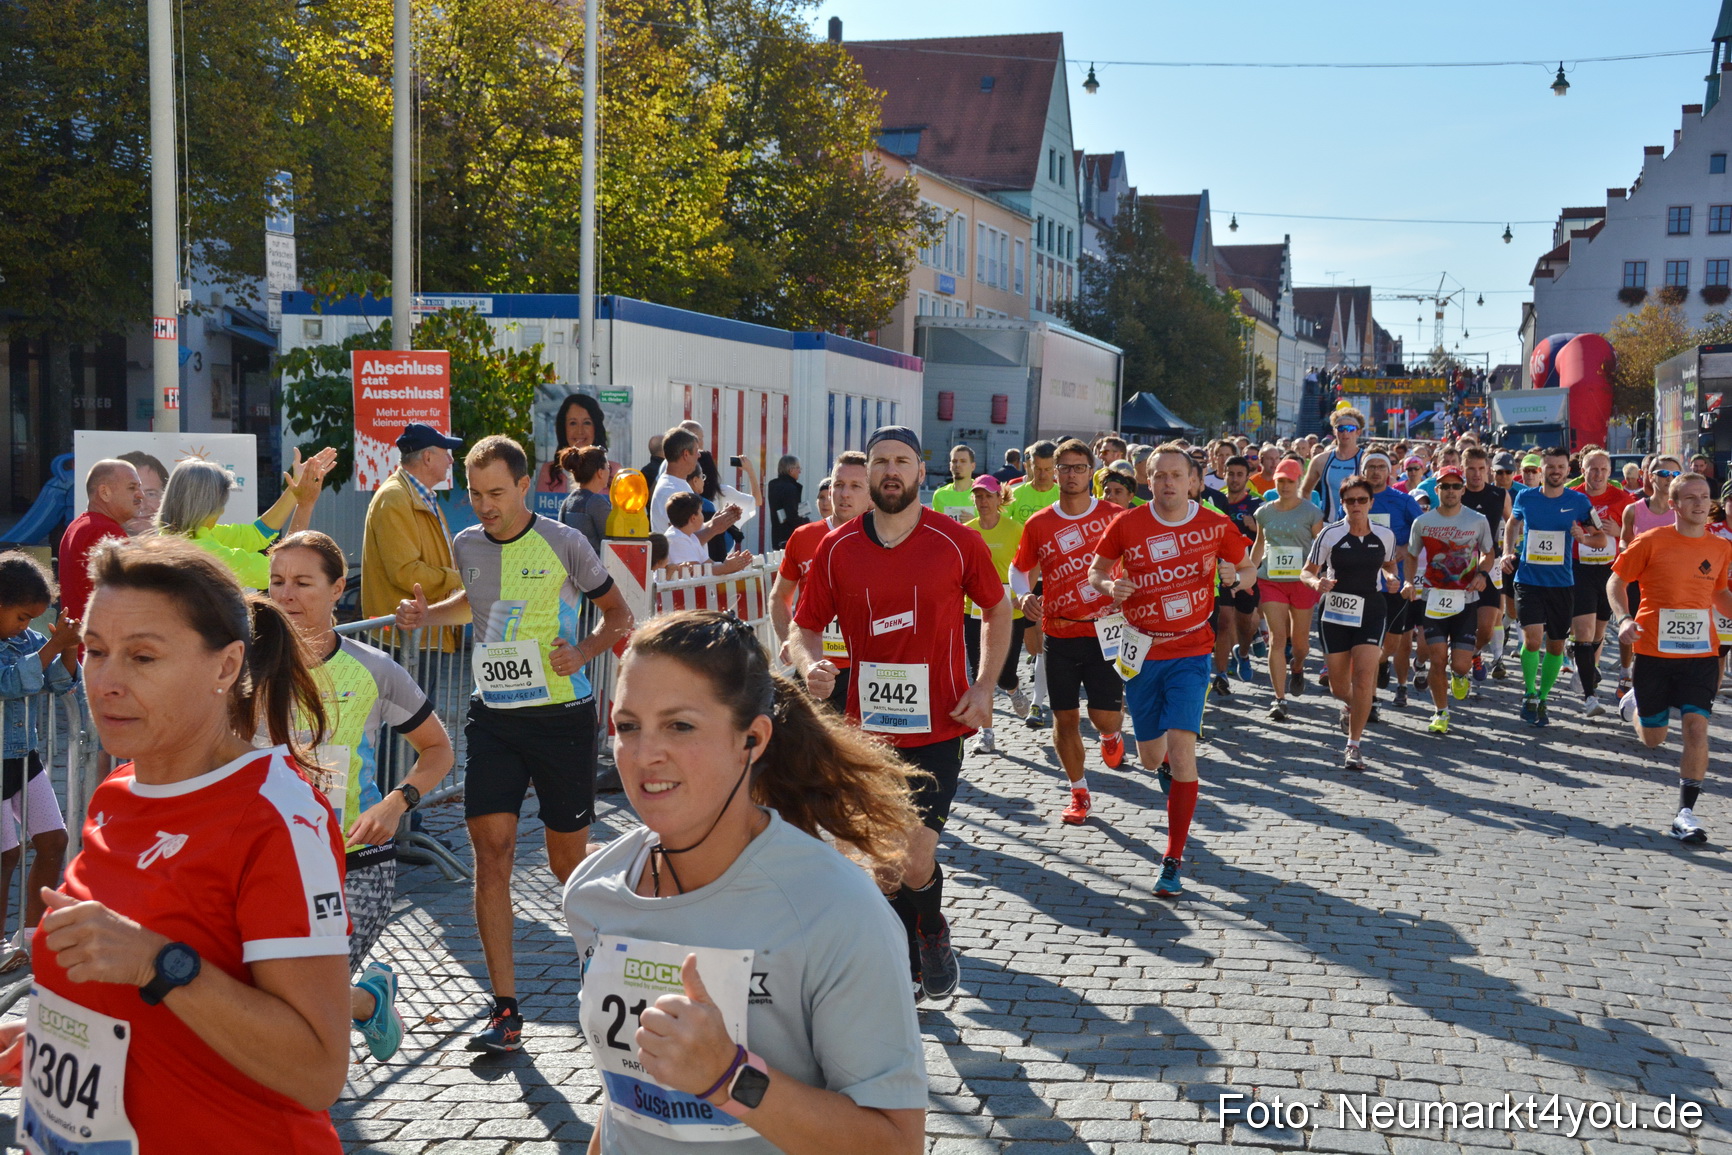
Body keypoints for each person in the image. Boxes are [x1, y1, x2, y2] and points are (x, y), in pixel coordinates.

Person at [4, 536, 350, 1151]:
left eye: (142, 657)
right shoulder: (116, 791)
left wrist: (161, 963)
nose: (105, 681)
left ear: (225, 666)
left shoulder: (277, 816)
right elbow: (138, 1013)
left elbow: (318, 1071)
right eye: (95, 651)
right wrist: (55, 1036)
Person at [564, 610, 927, 1154]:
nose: (643, 755)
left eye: (679, 725)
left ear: (752, 740)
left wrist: (728, 1079)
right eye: (627, 726)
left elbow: (896, 1144)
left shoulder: (837, 910)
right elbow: (626, 1095)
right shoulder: (593, 891)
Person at [394, 434, 633, 1052]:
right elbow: (470, 605)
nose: (485, 505)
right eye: (475, 494)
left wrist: (581, 650)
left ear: (526, 486)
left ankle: (604, 971)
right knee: (492, 851)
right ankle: (504, 1009)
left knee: (564, 864)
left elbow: (619, 616)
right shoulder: (467, 544)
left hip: (561, 719)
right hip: (494, 716)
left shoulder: (564, 543)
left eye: (497, 492)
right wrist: (427, 616)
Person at [789, 426, 1010, 1004]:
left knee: (915, 857)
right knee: (884, 865)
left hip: (940, 722)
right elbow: (803, 623)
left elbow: (996, 607)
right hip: (867, 726)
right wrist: (809, 662)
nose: (891, 471)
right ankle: (910, 956)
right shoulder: (837, 549)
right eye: (881, 461)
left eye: (902, 461)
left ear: (920, 471)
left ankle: (931, 929)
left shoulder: (956, 541)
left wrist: (985, 685)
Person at [267, 531, 456, 1063]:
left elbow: (438, 750)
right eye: (277, 582)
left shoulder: (375, 670)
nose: (286, 595)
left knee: (305, 996)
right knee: (281, 994)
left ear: (337, 589)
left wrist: (396, 803)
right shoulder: (243, 670)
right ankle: (367, 1003)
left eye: (303, 582)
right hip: (267, 861)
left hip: (355, 856)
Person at [1089, 444, 1254, 898]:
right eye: (1158, 475)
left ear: (1193, 481)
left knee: (1183, 753)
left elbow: (1248, 568)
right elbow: (1096, 571)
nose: (1167, 483)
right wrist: (1109, 585)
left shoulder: (1215, 525)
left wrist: (1234, 578)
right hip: (1141, 651)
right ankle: (1160, 769)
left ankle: (1172, 858)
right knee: (1149, 757)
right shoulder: (1128, 523)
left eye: (1176, 476)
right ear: (1148, 479)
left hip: (1191, 651)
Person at [1610, 472, 1732, 845]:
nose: (1699, 503)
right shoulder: (1651, 542)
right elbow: (1615, 581)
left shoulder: (1722, 548)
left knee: (1696, 728)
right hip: (1652, 650)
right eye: (1690, 497)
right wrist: (1624, 619)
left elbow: (1720, 592)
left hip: (1700, 652)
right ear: (1675, 504)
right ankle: (1632, 705)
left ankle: (1685, 813)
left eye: (1704, 496)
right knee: (1653, 738)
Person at [1010, 439, 1125, 825]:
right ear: (1053, 471)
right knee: (1064, 718)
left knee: (1103, 717)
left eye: (1079, 467)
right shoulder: (1039, 522)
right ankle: (1079, 792)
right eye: (1065, 468)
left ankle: (1111, 737)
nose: (1071, 474)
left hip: (1106, 632)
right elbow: (1018, 568)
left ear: (1091, 472)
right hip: (1059, 632)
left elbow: (1136, 561)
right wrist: (1025, 596)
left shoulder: (1113, 515)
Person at [0, 555, 76, 970]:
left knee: (53, 841)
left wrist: (69, 647)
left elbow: (61, 682)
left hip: (23, 758)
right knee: (4, 855)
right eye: (20, 616)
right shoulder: (32, 645)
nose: (26, 625)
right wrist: (52, 646)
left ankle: (31, 937)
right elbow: (9, 683)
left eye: (32, 618)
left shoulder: (29, 641)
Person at [1502, 447, 1607, 727]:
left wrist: (1582, 538)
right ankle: (1529, 694)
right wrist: (1507, 551)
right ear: (1542, 470)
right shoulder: (1525, 497)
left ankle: (1544, 698)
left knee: (1557, 646)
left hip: (1562, 583)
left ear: (1568, 471)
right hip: (1528, 580)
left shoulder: (1580, 502)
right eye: (1550, 467)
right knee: (1533, 639)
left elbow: (1601, 539)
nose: (1556, 471)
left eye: (1560, 467)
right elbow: (1512, 524)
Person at [1303, 475, 1398, 769]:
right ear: (1342, 504)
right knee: (1339, 686)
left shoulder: (1385, 535)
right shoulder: (1330, 535)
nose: (1356, 505)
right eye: (1349, 500)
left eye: (1361, 500)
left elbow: (1390, 565)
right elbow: (1306, 571)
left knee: (1364, 677)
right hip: (1335, 613)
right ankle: (1350, 705)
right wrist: (1316, 583)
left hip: (1371, 609)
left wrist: (1393, 578)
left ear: (1371, 502)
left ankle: (1353, 746)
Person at [771, 452, 869, 712]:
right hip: (814, 667)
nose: (844, 493)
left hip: (863, 670)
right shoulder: (803, 537)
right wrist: (788, 640)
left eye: (856, 486)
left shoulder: (884, 541)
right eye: (838, 485)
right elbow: (779, 596)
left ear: (871, 495)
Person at [156, 449, 335, 590]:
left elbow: (255, 533)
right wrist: (305, 504)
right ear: (206, 507)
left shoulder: (178, 536)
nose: (222, 511)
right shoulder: (202, 551)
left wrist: (296, 487)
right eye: (220, 504)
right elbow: (281, 571)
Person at [1404, 466, 1496, 735]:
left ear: (1463, 490)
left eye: (1456, 486)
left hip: (1466, 599)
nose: (1452, 491)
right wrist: (1410, 581)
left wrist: (1481, 573)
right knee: (1437, 658)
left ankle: (1460, 675)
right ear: (1438, 490)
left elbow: (1488, 553)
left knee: (1460, 663)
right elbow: (1411, 554)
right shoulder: (1423, 522)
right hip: (1433, 598)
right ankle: (1440, 712)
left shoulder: (1477, 520)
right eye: (1446, 487)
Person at [361, 422, 467, 655]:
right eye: (446, 454)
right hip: (404, 638)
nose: (451, 461)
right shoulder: (396, 498)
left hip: (421, 634)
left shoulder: (419, 495)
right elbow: (406, 572)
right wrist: (459, 578)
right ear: (428, 457)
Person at [1251, 456, 1325, 721]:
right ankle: (1279, 698)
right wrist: (1249, 574)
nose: (1284, 486)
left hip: (1302, 582)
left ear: (1297, 481)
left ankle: (1298, 666)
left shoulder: (1311, 512)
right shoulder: (1264, 512)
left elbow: (1322, 545)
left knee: (1301, 644)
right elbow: (1260, 545)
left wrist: (1322, 573)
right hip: (1271, 581)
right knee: (1277, 638)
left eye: (1289, 481)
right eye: (1280, 481)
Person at [962, 476, 1028, 755]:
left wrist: (1020, 593)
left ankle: (1013, 689)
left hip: (1008, 612)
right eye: (978, 496)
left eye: (988, 496)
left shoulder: (1016, 530)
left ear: (1000, 499)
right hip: (974, 612)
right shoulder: (966, 532)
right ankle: (986, 734)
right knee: (979, 675)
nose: (983, 502)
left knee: (1005, 674)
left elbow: (1030, 566)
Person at [1570, 449, 1634, 716]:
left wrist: (1619, 532)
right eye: (1592, 469)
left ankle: (1584, 668)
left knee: (1598, 633)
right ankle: (1590, 696)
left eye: (1603, 470)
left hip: (1610, 571)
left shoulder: (1623, 499)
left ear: (1610, 472)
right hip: (1579, 568)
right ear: (1582, 470)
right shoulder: (1572, 497)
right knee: (1584, 633)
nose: (1597, 475)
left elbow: (1635, 538)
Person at [1004, 442, 1059, 726]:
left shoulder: (1064, 494)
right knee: (1034, 642)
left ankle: (1038, 703)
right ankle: (1041, 686)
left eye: (1048, 469)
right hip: (1025, 578)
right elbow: (1009, 535)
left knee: (1044, 637)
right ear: (1028, 465)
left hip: (1057, 579)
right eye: (1037, 468)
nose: (1043, 474)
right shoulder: (1016, 494)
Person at [1619, 456, 1684, 696]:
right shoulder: (1634, 509)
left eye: (1676, 475)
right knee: (1630, 627)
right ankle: (1625, 672)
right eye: (1664, 474)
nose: (1670, 479)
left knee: (1664, 630)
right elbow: (1624, 538)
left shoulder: (1683, 510)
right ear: (1651, 477)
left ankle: (1660, 678)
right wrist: (1627, 550)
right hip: (1638, 579)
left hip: (1671, 581)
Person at [1362, 453, 1423, 710]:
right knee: (1367, 641)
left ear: (1389, 471)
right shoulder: (1358, 499)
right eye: (1371, 467)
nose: (1376, 472)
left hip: (1395, 581)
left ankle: (1383, 661)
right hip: (1363, 582)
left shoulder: (1403, 501)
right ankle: (1371, 700)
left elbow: (1423, 530)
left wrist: (1405, 547)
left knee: (1393, 643)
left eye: (1380, 467)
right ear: (1363, 471)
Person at [58, 459, 143, 623]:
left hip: (84, 641)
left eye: (140, 487)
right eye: (132, 488)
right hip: (101, 643)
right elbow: (128, 598)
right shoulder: (105, 531)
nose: (141, 495)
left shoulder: (79, 526)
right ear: (104, 492)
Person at [1460, 446, 1512, 682]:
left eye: (1481, 468)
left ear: (1488, 469)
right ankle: (1460, 663)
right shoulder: (1456, 493)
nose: (1476, 474)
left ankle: (1475, 652)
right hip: (1458, 566)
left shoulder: (1498, 495)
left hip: (1490, 564)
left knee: (1487, 629)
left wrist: (1512, 550)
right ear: (1463, 469)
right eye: (1471, 469)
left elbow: (1512, 522)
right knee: (1461, 623)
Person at [1211, 455, 1262, 693]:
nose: (1234, 479)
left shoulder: (1256, 504)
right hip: (1221, 572)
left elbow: (1264, 541)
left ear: (1247, 477)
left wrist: (1255, 529)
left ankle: (1242, 652)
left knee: (1245, 623)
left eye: (1239, 474)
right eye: (1230, 473)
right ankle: (1220, 674)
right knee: (1224, 621)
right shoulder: (1216, 499)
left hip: (1246, 571)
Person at [651, 427, 740, 548]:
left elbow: (691, 531)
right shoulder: (671, 490)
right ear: (686, 454)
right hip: (681, 565)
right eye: (697, 450)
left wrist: (720, 520)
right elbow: (681, 542)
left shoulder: (676, 483)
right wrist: (714, 527)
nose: (699, 455)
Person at [1300, 406, 1367, 522]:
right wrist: (1311, 518)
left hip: (1358, 526)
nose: (1345, 432)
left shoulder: (1365, 460)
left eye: (1350, 428)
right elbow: (1305, 491)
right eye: (1341, 428)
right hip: (1328, 525)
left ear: (1358, 432)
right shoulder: (1320, 460)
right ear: (1334, 431)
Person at [536, 393, 610, 494]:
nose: (580, 431)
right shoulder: (549, 471)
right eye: (573, 423)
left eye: (587, 422)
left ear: (596, 428)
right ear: (564, 428)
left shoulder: (613, 471)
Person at [665, 492, 750, 574]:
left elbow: (709, 564)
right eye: (701, 512)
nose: (703, 515)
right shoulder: (676, 538)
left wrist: (733, 563)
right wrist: (726, 567)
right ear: (693, 518)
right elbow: (695, 571)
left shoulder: (691, 537)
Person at [559, 444, 614, 556]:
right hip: (594, 570)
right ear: (600, 472)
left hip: (572, 568)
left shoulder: (568, 501)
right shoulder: (596, 502)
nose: (609, 471)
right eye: (608, 467)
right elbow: (611, 540)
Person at [115, 450, 168, 537]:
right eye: (132, 494)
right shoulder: (92, 547)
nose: (142, 506)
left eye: (151, 494)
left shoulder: (185, 547)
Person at [767, 455, 807, 549]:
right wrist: (807, 522)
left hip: (777, 535)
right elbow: (792, 516)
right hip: (789, 536)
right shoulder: (790, 488)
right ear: (791, 469)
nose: (800, 471)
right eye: (798, 468)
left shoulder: (772, 484)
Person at [930, 445, 978, 521]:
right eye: (954, 461)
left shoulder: (982, 493)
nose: (958, 465)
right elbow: (936, 526)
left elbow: (992, 526)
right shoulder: (940, 495)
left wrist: (975, 522)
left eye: (963, 461)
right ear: (950, 466)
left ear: (973, 466)